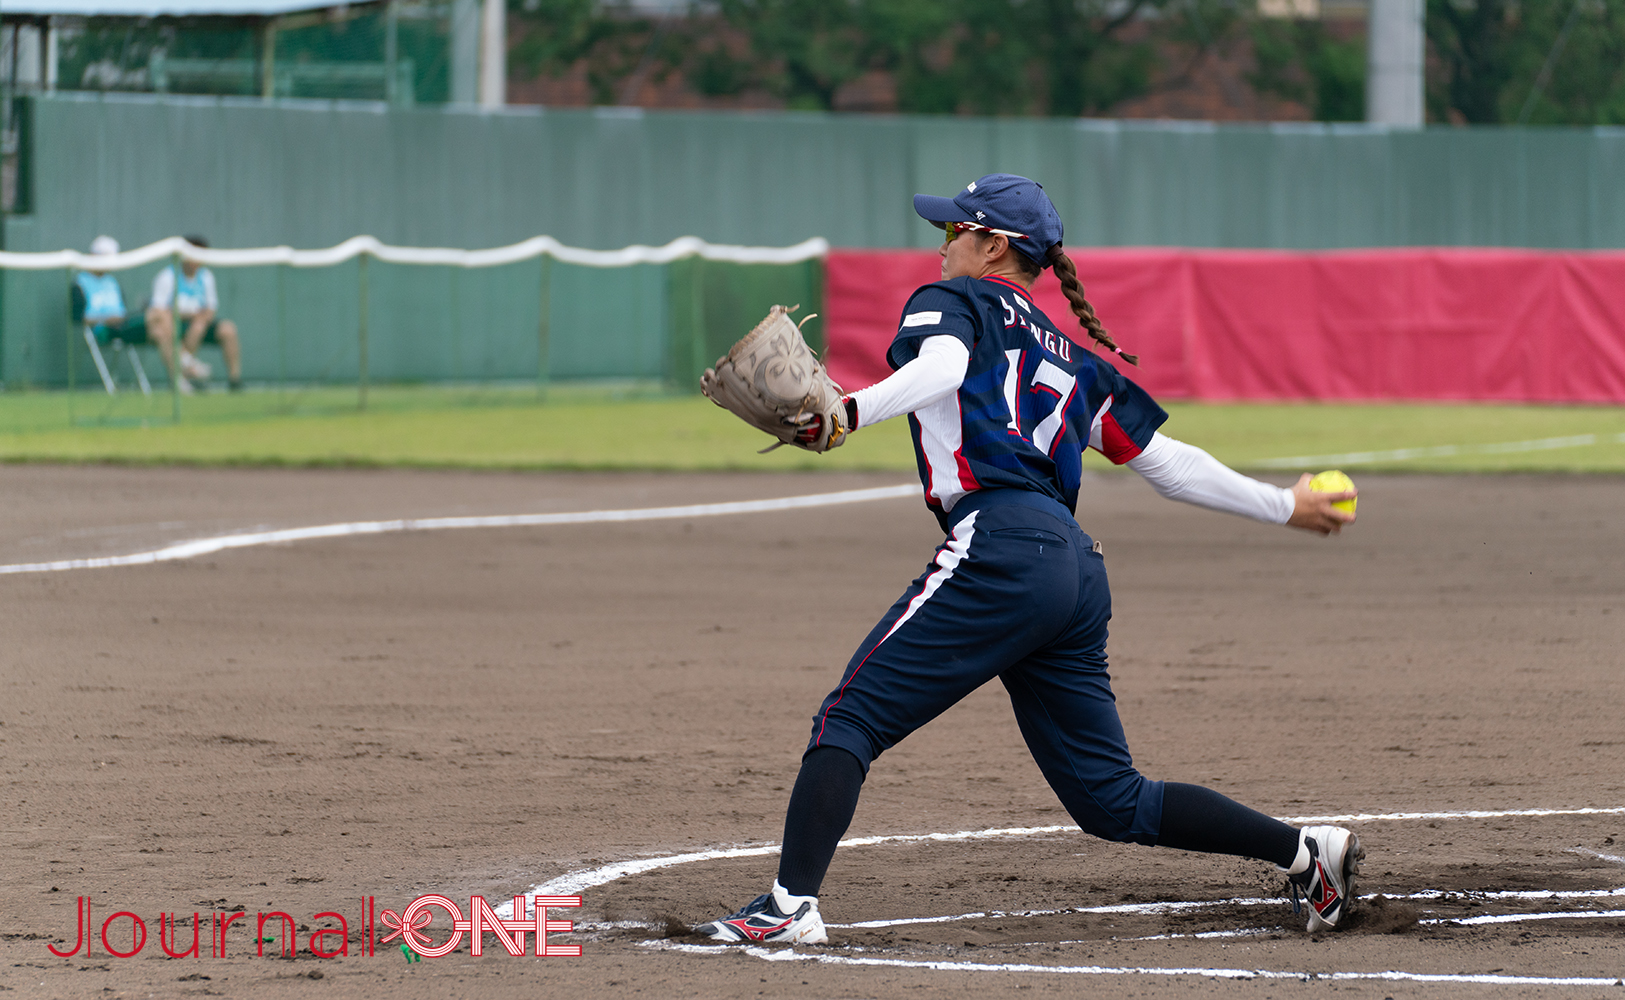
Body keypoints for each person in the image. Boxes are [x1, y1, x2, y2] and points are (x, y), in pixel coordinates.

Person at [695, 174, 1363, 947]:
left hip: (1002, 548)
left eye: (957, 230)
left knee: (849, 719)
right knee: (1112, 800)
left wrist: (849, 408)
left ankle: (786, 908)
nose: (943, 243)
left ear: (994, 246)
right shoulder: (1074, 360)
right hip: (1075, 573)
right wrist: (1285, 504)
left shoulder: (953, 301)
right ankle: (1304, 853)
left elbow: (942, 369)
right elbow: (1166, 462)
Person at [72, 235, 186, 389]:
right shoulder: (79, 284)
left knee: (160, 332)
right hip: (104, 331)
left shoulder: (112, 282)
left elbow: (123, 312)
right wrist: (106, 319)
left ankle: (177, 380)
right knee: (159, 314)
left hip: (124, 327)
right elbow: (78, 318)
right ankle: (185, 359)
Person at [148, 235, 244, 392]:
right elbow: (158, 309)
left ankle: (234, 380)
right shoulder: (167, 276)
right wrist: (187, 316)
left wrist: (199, 321)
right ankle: (184, 369)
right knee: (161, 328)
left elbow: (210, 309)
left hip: (198, 325)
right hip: (173, 324)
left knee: (228, 329)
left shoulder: (206, 277)